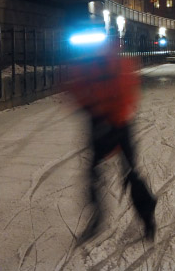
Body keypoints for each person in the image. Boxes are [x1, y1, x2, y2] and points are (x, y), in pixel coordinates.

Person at [67, 31, 157, 244]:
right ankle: (146, 216)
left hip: (106, 124)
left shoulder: (98, 64)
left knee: (101, 173)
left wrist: (97, 111)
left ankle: (101, 217)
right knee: (128, 172)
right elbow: (130, 93)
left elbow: (74, 88)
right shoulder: (118, 63)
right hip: (117, 124)